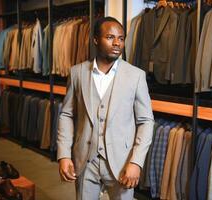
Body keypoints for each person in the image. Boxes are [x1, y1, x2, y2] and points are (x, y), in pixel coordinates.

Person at [57, 16, 154, 200]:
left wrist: (136, 161)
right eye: (110, 37)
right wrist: (63, 155)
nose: (117, 43)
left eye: (121, 38)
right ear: (95, 39)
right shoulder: (77, 73)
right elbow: (67, 115)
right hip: (85, 161)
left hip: (123, 162)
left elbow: (146, 121)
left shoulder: (136, 76)